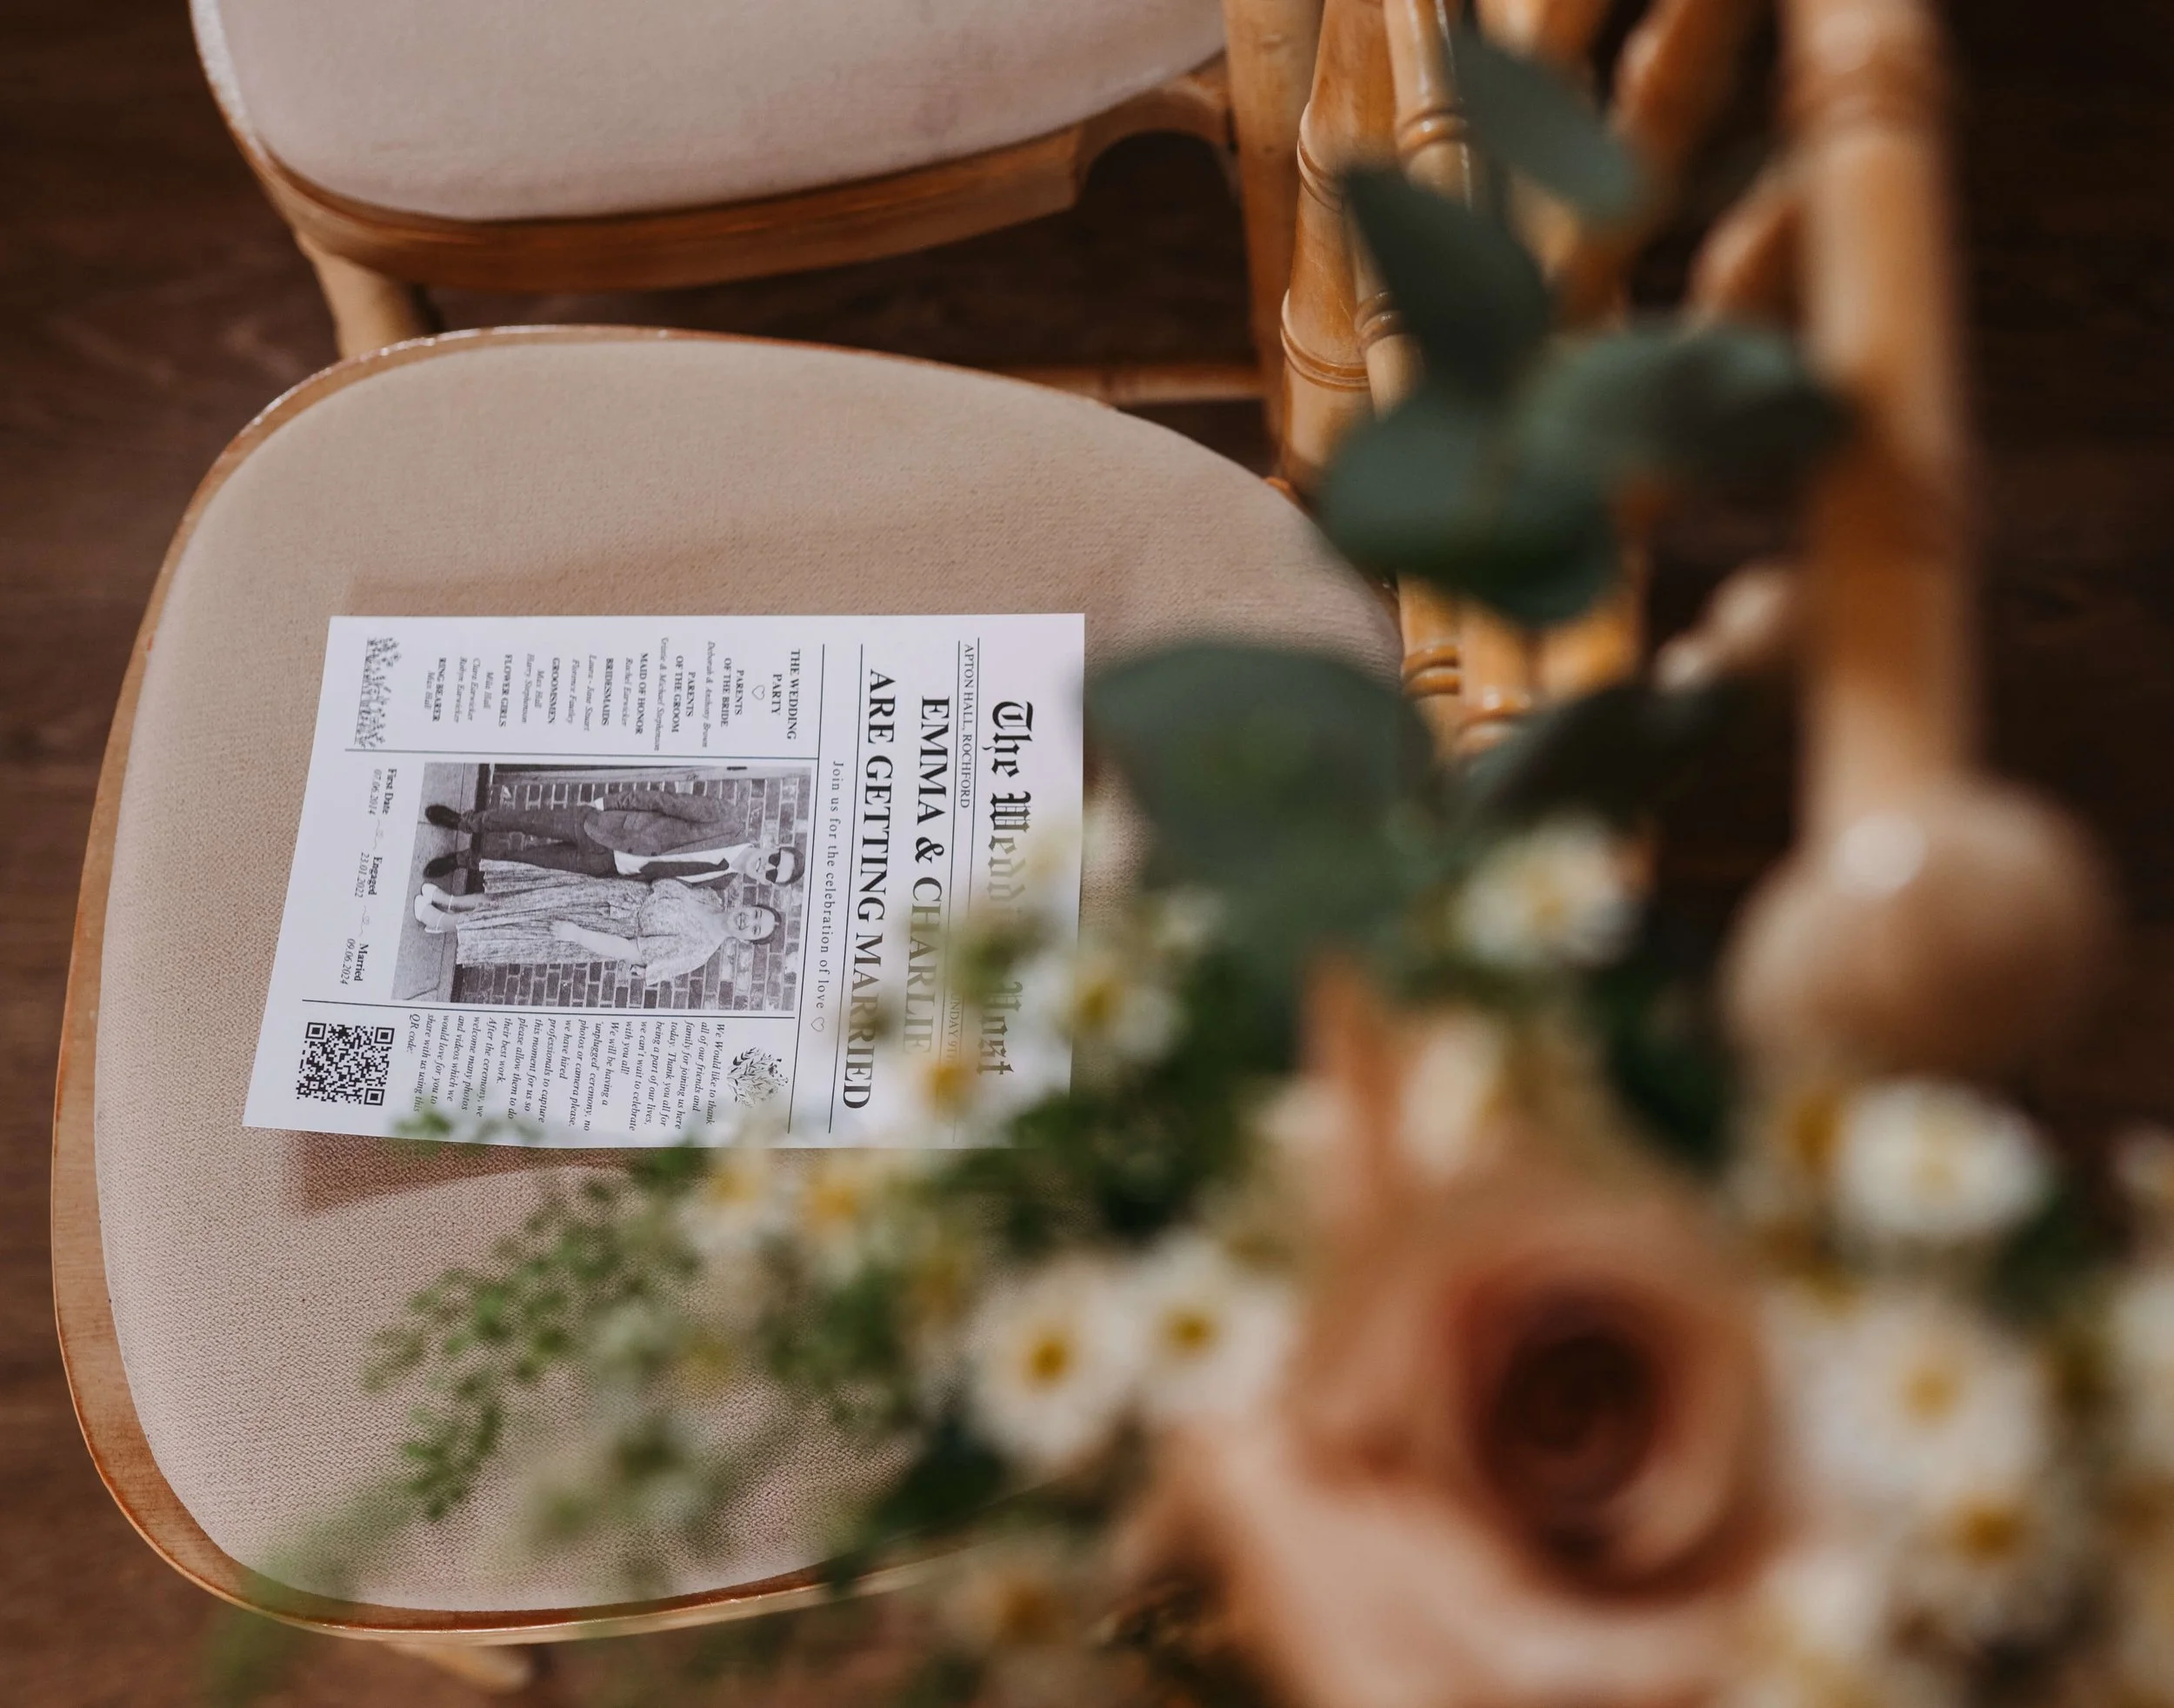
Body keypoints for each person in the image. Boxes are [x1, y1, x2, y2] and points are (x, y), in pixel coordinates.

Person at [415, 865, 778, 984]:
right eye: (756, 914)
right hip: (600, 893)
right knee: (522, 895)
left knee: (520, 923)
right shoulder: (710, 897)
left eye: (755, 929)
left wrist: (576, 934)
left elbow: (630, 950)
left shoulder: (697, 952)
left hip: (597, 928)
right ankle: (452, 901)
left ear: (746, 941)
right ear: (749, 906)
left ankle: (443, 922)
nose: (749, 920)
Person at [422, 789, 804, 889]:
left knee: (528, 862)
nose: (767, 866)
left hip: (604, 866)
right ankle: (465, 822)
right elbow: (664, 802)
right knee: (526, 821)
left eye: (773, 874)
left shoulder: (721, 882)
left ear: (766, 883)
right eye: (776, 859)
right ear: (772, 845)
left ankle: (463, 862)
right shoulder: (728, 819)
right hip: (607, 826)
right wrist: (609, 803)